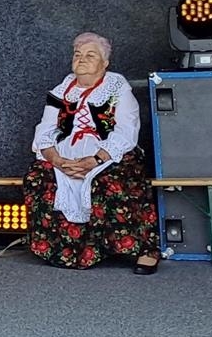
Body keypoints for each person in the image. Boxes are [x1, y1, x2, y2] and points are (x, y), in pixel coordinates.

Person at [23, 32, 161, 273]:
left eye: (90, 55)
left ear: (104, 63)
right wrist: (58, 160)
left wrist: (94, 160)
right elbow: (45, 129)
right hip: (65, 155)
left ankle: (144, 249)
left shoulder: (118, 89)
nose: (82, 59)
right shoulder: (60, 92)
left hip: (107, 153)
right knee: (37, 176)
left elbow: (127, 131)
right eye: (77, 54)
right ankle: (65, 250)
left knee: (111, 181)